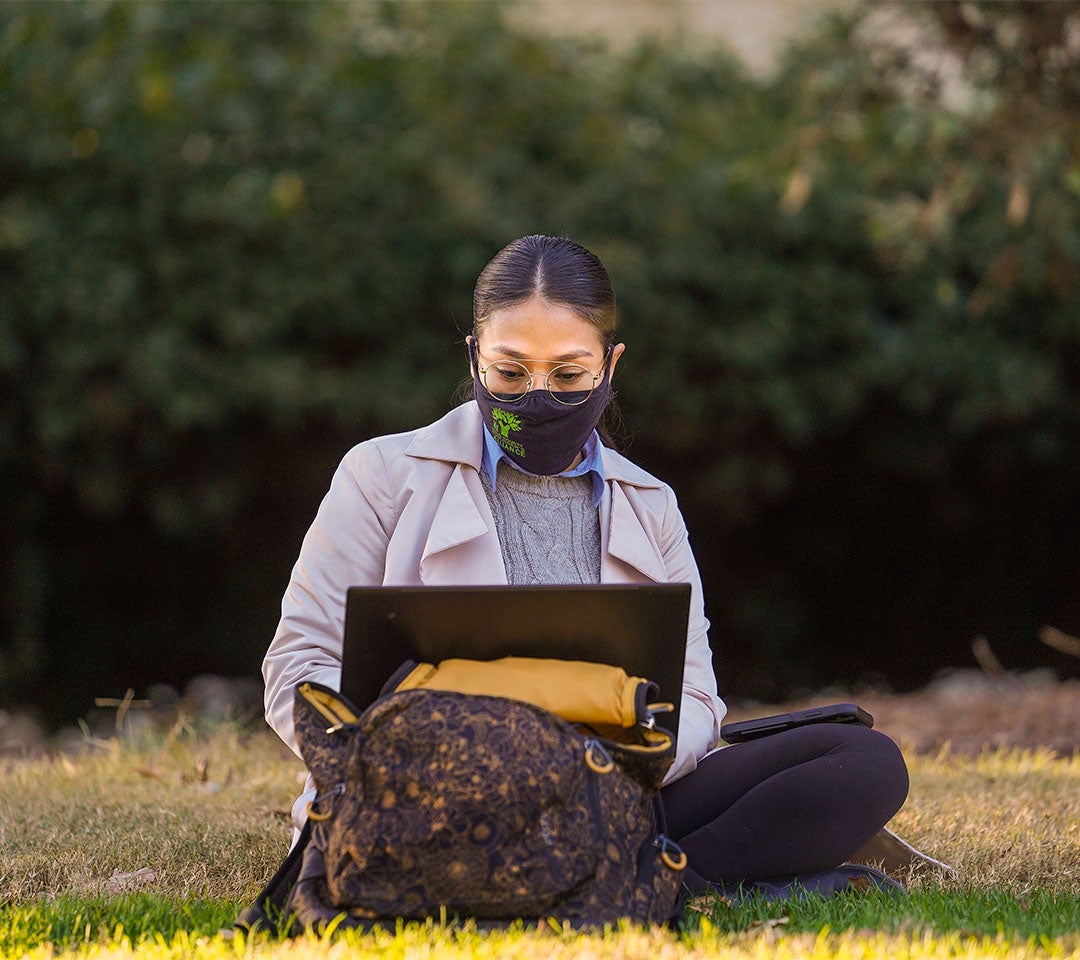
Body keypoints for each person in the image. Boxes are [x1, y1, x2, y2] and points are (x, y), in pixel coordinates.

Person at [262, 234, 909, 893]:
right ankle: (658, 886)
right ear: (474, 356)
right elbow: (299, 668)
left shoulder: (650, 504)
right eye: (510, 373)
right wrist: (418, 765)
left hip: (610, 794)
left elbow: (695, 696)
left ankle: (642, 882)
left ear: (609, 364)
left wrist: (619, 765)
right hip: (431, 809)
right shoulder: (380, 476)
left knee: (862, 762)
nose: (537, 397)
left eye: (568, 375)